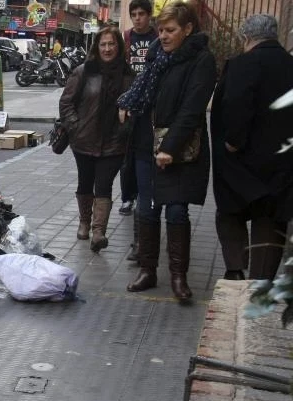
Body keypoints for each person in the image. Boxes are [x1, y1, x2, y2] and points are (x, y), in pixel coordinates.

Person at [117, 1, 216, 301]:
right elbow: (143, 92)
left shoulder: (201, 60)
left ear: (188, 29)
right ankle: (148, 270)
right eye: (161, 30)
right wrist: (127, 103)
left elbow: (192, 109)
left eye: (170, 30)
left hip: (179, 149)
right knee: (146, 207)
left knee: (175, 209)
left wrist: (170, 147)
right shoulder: (157, 56)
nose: (163, 35)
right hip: (147, 144)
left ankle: (178, 277)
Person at [211, 14, 293, 281]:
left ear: (246, 38)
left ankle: (236, 269)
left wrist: (233, 141)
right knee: (270, 219)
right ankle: (261, 278)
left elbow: (236, 103)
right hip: (282, 163)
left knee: (230, 212)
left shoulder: (243, 64)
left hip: (242, 162)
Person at [59, 27, 134, 253]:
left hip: (114, 142)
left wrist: (127, 124)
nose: (108, 49)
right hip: (84, 139)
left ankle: (99, 231)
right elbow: (66, 103)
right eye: (103, 44)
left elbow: (136, 107)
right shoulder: (84, 72)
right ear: (97, 47)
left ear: (119, 47)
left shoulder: (128, 75)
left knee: (104, 185)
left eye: (112, 44)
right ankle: (84, 222)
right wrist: (75, 126)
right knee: (85, 181)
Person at [120, 0, 160, 263]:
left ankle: (141, 206)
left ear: (149, 16)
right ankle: (127, 196)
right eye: (133, 14)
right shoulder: (126, 37)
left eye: (141, 14)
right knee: (126, 157)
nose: (137, 19)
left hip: (150, 107)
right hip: (128, 102)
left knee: (143, 160)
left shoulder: (158, 39)